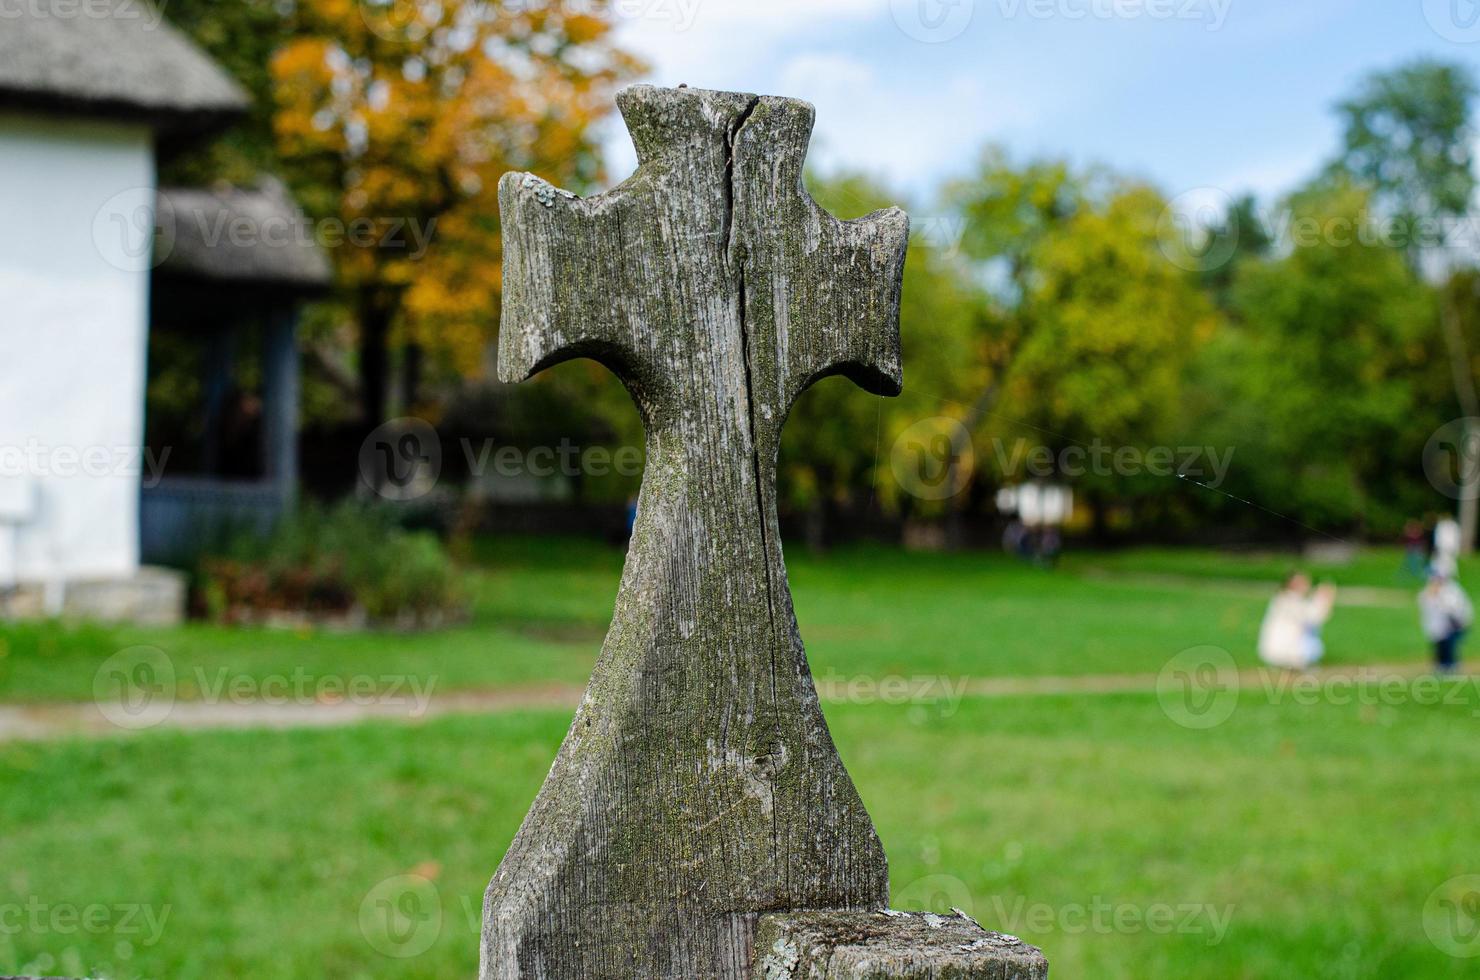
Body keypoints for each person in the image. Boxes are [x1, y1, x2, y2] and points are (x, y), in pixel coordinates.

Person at [1258, 572, 1337, 670]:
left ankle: (1289, 662)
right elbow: (1313, 619)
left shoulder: (1283, 598)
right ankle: (1297, 662)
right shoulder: (1291, 600)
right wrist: (1324, 599)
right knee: (1312, 636)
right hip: (1286, 649)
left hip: (1272, 651)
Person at [1419, 572, 1473, 675]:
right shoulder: (1427, 593)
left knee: (1449, 645)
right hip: (1439, 627)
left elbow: (1454, 610)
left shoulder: (1451, 591)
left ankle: (1451, 666)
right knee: (1439, 645)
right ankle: (1441, 666)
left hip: (1455, 625)